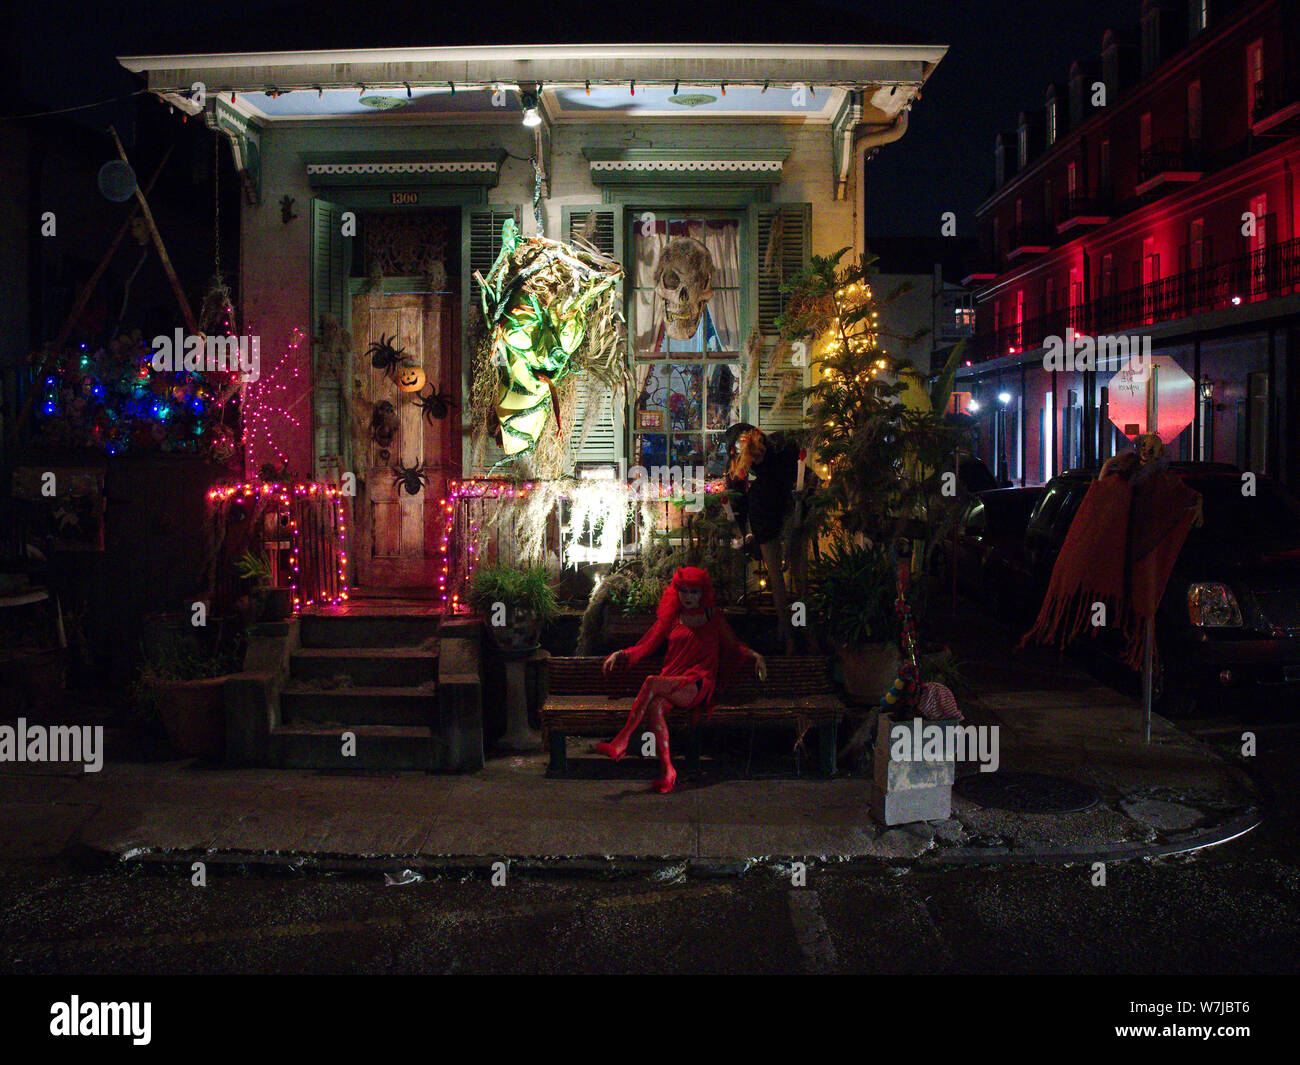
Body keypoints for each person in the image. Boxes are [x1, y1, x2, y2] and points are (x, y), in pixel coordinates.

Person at [596, 566, 765, 793]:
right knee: (655, 707)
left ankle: (622, 740)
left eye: (694, 592)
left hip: (698, 682)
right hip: (672, 679)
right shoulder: (672, 618)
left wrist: (755, 655)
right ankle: (668, 771)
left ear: (702, 593)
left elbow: (733, 646)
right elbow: (646, 646)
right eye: (684, 591)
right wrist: (621, 654)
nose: (688, 597)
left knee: (650, 682)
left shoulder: (713, 617)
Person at [722, 423, 818, 655]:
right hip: (763, 518)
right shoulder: (737, 467)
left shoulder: (781, 446)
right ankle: (787, 635)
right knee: (777, 582)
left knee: (799, 578)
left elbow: (808, 476)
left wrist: (806, 500)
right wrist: (743, 532)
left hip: (791, 514)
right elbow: (738, 500)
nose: (757, 456)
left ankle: (803, 629)